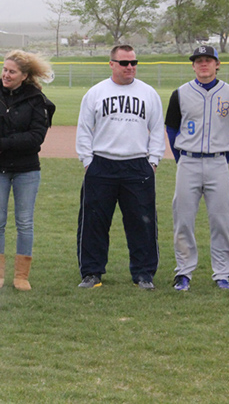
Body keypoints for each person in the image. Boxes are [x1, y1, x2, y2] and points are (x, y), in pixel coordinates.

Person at [75, 44, 165, 290]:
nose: (130, 67)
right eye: (124, 63)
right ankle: (91, 273)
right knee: (94, 222)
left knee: (142, 222)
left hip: (137, 165)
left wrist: (153, 161)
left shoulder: (148, 93)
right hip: (102, 163)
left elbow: (157, 129)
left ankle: (143, 274)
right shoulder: (96, 93)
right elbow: (84, 129)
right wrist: (87, 161)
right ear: (112, 64)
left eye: (134, 63)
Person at [0, 50, 55, 291]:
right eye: (4, 69)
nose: (6, 75)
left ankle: (21, 276)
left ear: (24, 76)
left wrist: (2, 144)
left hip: (26, 170)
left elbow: (36, 137)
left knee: (25, 222)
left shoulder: (36, 99)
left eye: (12, 72)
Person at [165, 45, 229, 291]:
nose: (203, 64)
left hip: (218, 162)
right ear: (193, 65)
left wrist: (224, 157)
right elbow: (172, 129)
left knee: (221, 220)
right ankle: (183, 272)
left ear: (217, 64)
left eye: (208, 60)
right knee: (183, 219)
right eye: (199, 60)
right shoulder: (180, 93)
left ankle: (223, 274)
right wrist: (181, 158)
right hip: (188, 161)